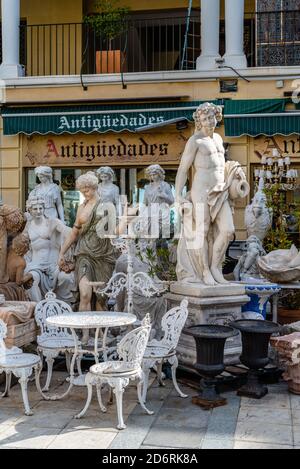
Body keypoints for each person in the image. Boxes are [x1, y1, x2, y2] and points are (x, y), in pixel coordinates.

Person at [175, 102, 249, 285]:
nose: (210, 121)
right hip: (201, 191)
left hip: (219, 191)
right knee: (203, 231)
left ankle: (215, 268)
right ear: (199, 121)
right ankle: (204, 271)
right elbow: (183, 170)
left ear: (217, 117)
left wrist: (234, 171)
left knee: (228, 230)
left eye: (212, 117)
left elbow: (220, 166)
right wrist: (178, 195)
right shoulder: (195, 141)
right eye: (205, 118)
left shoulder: (217, 139)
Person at [58, 172, 119, 344]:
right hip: (84, 253)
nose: (85, 191)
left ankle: (99, 333)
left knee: (100, 297)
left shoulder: (107, 206)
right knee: (85, 294)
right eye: (82, 189)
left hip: (103, 255)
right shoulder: (82, 207)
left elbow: (114, 232)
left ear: (95, 187)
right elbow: (74, 232)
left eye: (87, 188)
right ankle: (85, 333)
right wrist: (62, 252)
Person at [24, 196, 75, 303]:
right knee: (31, 280)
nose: (38, 211)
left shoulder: (52, 222)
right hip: (36, 265)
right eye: (35, 209)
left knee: (66, 278)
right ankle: (39, 307)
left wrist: (64, 230)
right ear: (29, 210)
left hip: (54, 265)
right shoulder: (27, 227)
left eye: (41, 208)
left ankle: (64, 307)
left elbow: (68, 232)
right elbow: (24, 249)